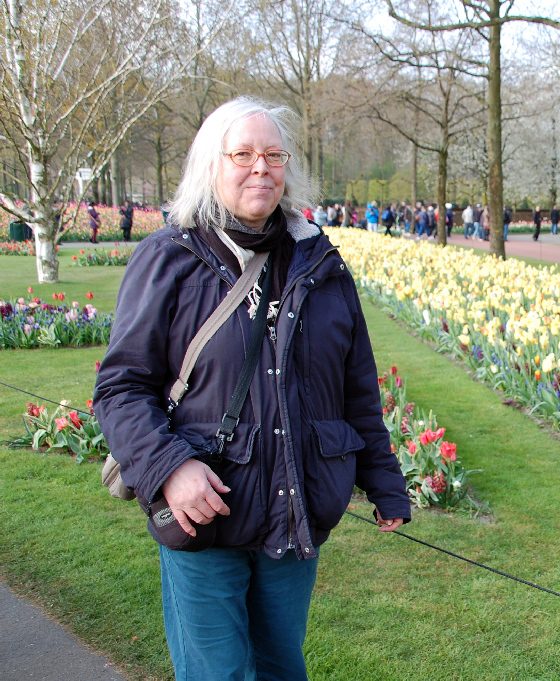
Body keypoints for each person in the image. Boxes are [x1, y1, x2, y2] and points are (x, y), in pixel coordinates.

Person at [93, 97, 410, 681]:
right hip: (204, 514)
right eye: (242, 154)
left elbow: (356, 388)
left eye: (273, 154)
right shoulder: (169, 259)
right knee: (218, 673)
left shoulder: (321, 263)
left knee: (280, 668)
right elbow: (120, 388)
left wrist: (385, 483)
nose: (260, 167)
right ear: (211, 166)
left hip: (294, 511)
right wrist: (169, 468)